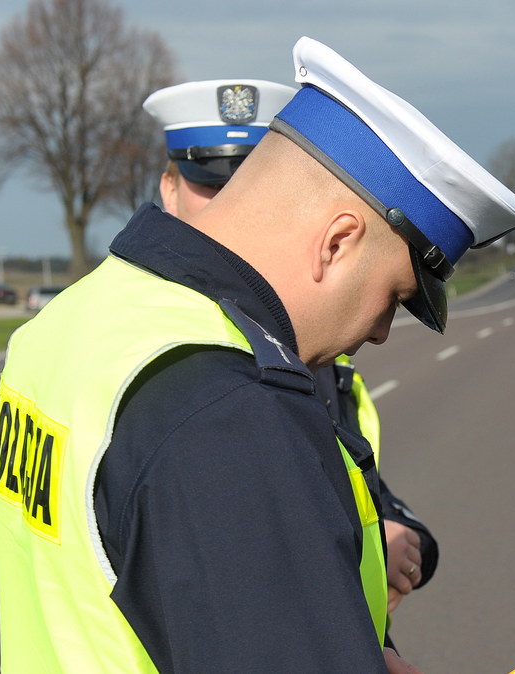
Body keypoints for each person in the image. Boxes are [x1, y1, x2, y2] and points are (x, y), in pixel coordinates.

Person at [0, 36, 515, 672]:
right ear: (337, 243)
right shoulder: (231, 414)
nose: (382, 331)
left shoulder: (76, 317)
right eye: (394, 296)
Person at [143, 77, 437, 614]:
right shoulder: (174, 357)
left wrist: (402, 532)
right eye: (212, 185)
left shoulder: (302, 338)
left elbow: (348, 474)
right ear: (168, 190)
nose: (235, 207)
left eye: (250, 183)